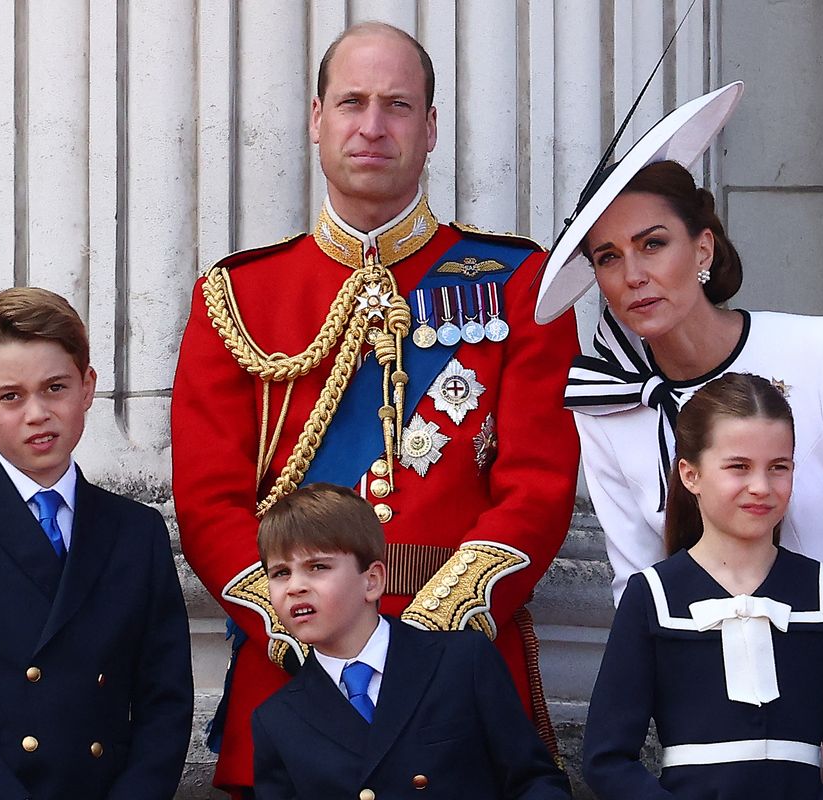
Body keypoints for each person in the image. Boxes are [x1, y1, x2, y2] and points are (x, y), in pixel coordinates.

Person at [172, 21, 579, 794]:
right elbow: (209, 504)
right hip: (296, 674)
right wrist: (309, 631)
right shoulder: (237, 296)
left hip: (457, 673)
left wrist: (423, 639)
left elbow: (539, 485)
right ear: (316, 119)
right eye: (352, 102)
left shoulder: (522, 283)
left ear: (430, 130)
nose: (372, 125)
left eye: (398, 105)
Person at [534, 82, 823, 799]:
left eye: (653, 243)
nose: (633, 276)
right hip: (718, 750)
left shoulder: (820, 349)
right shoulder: (605, 404)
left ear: (704, 247)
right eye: (607, 257)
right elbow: (638, 586)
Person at [0, 288, 193, 800]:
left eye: (55, 387)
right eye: (10, 396)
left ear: (87, 387)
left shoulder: (137, 531)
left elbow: (166, 700)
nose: (37, 413)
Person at [583, 373, 823, 799]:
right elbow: (606, 758)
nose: (761, 487)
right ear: (691, 475)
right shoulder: (652, 596)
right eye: (738, 467)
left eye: (778, 467)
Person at [250, 483, 572, 799]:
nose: (295, 586)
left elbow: (533, 781)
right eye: (280, 573)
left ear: (372, 581)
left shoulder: (461, 661)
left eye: (317, 566)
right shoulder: (277, 719)